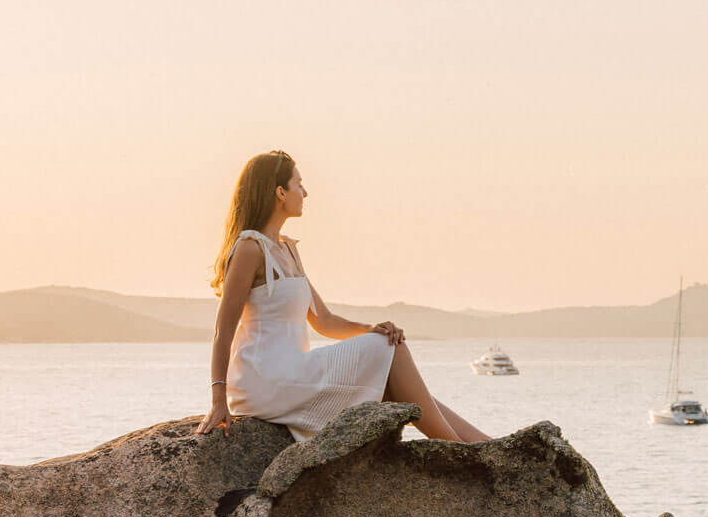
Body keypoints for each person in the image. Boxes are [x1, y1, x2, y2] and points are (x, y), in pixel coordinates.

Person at [195, 150, 491, 443]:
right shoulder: (250, 248)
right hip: (265, 379)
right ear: (280, 192)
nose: (306, 192)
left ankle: (487, 448)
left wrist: (369, 329)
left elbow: (323, 320)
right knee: (391, 350)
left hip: (293, 372)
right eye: (299, 184)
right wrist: (218, 399)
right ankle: (461, 456)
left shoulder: (287, 249)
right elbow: (224, 329)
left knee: (394, 379)